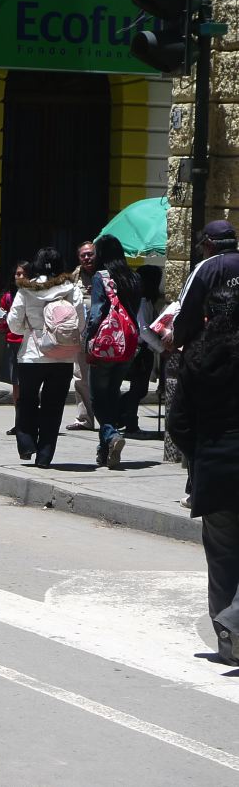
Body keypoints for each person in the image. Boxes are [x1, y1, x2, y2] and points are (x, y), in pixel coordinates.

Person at [166, 284, 239, 666]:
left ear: (208, 318)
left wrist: (200, 453)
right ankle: (236, 620)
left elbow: (178, 423)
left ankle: (228, 644)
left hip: (213, 468)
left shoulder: (196, 356)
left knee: (223, 558)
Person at [6, 247, 84, 469]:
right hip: (64, 357)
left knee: (27, 400)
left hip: (32, 355)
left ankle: (27, 442)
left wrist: (32, 330)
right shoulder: (71, 289)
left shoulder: (26, 289)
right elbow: (81, 322)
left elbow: (14, 324)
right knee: (54, 406)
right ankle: (45, 456)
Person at [84, 234, 141, 470]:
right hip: (128, 345)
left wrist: (88, 338)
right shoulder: (134, 278)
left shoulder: (101, 278)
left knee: (98, 399)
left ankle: (110, 434)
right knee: (112, 393)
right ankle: (105, 452)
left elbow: (97, 313)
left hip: (106, 346)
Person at [175, 219, 239, 350]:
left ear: (209, 245)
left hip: (214, 353)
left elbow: (188, 310)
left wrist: (177, 339)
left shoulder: (206, 268)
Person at [120, 264, 164, 438]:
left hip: (135, 349)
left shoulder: (135, 299)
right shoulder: (144, 301)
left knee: (139, 389)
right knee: (139, 389)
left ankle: (125, 418)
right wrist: (161, 348)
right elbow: (143, 330)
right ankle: (127, 420)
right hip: (140, 352)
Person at [67, 240, 100, 431]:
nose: (87, 258)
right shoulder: (74, 277)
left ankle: (107, 419)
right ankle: (85, 419)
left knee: (102, 378)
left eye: (90, 254)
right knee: (80, 377)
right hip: (81, 335)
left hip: (103, 336)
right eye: (83, 255)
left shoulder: (105, 275)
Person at [0, 261, 29, 436]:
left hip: (30, 343)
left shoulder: (34, 295)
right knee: (16, 385)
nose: (20, 277)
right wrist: (0, 320)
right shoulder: (8, 297)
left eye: (24, 273)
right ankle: (19, 421)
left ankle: (29, 420)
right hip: (13, 342)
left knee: (29, 385)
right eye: (18, 274)